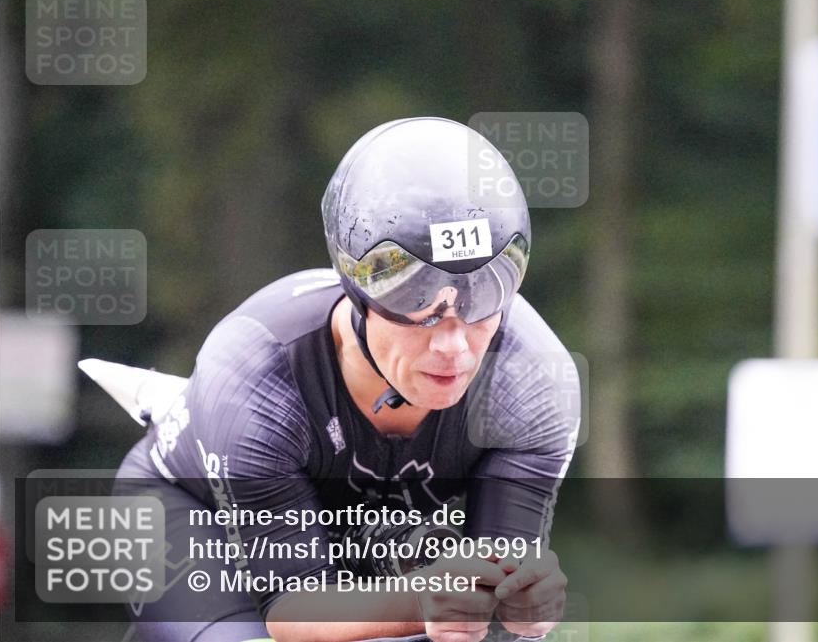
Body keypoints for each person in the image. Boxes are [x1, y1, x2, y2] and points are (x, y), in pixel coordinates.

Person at [115, 117, 580, 642]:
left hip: (360, 537)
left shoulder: (531, 380)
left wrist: (525, 605)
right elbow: (291, 609)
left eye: (481, 300)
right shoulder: (257, 373)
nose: (454, 347)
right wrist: (424, 600)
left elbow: (494, 605)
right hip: (192, 517)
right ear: (360, 296)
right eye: (418, 305)